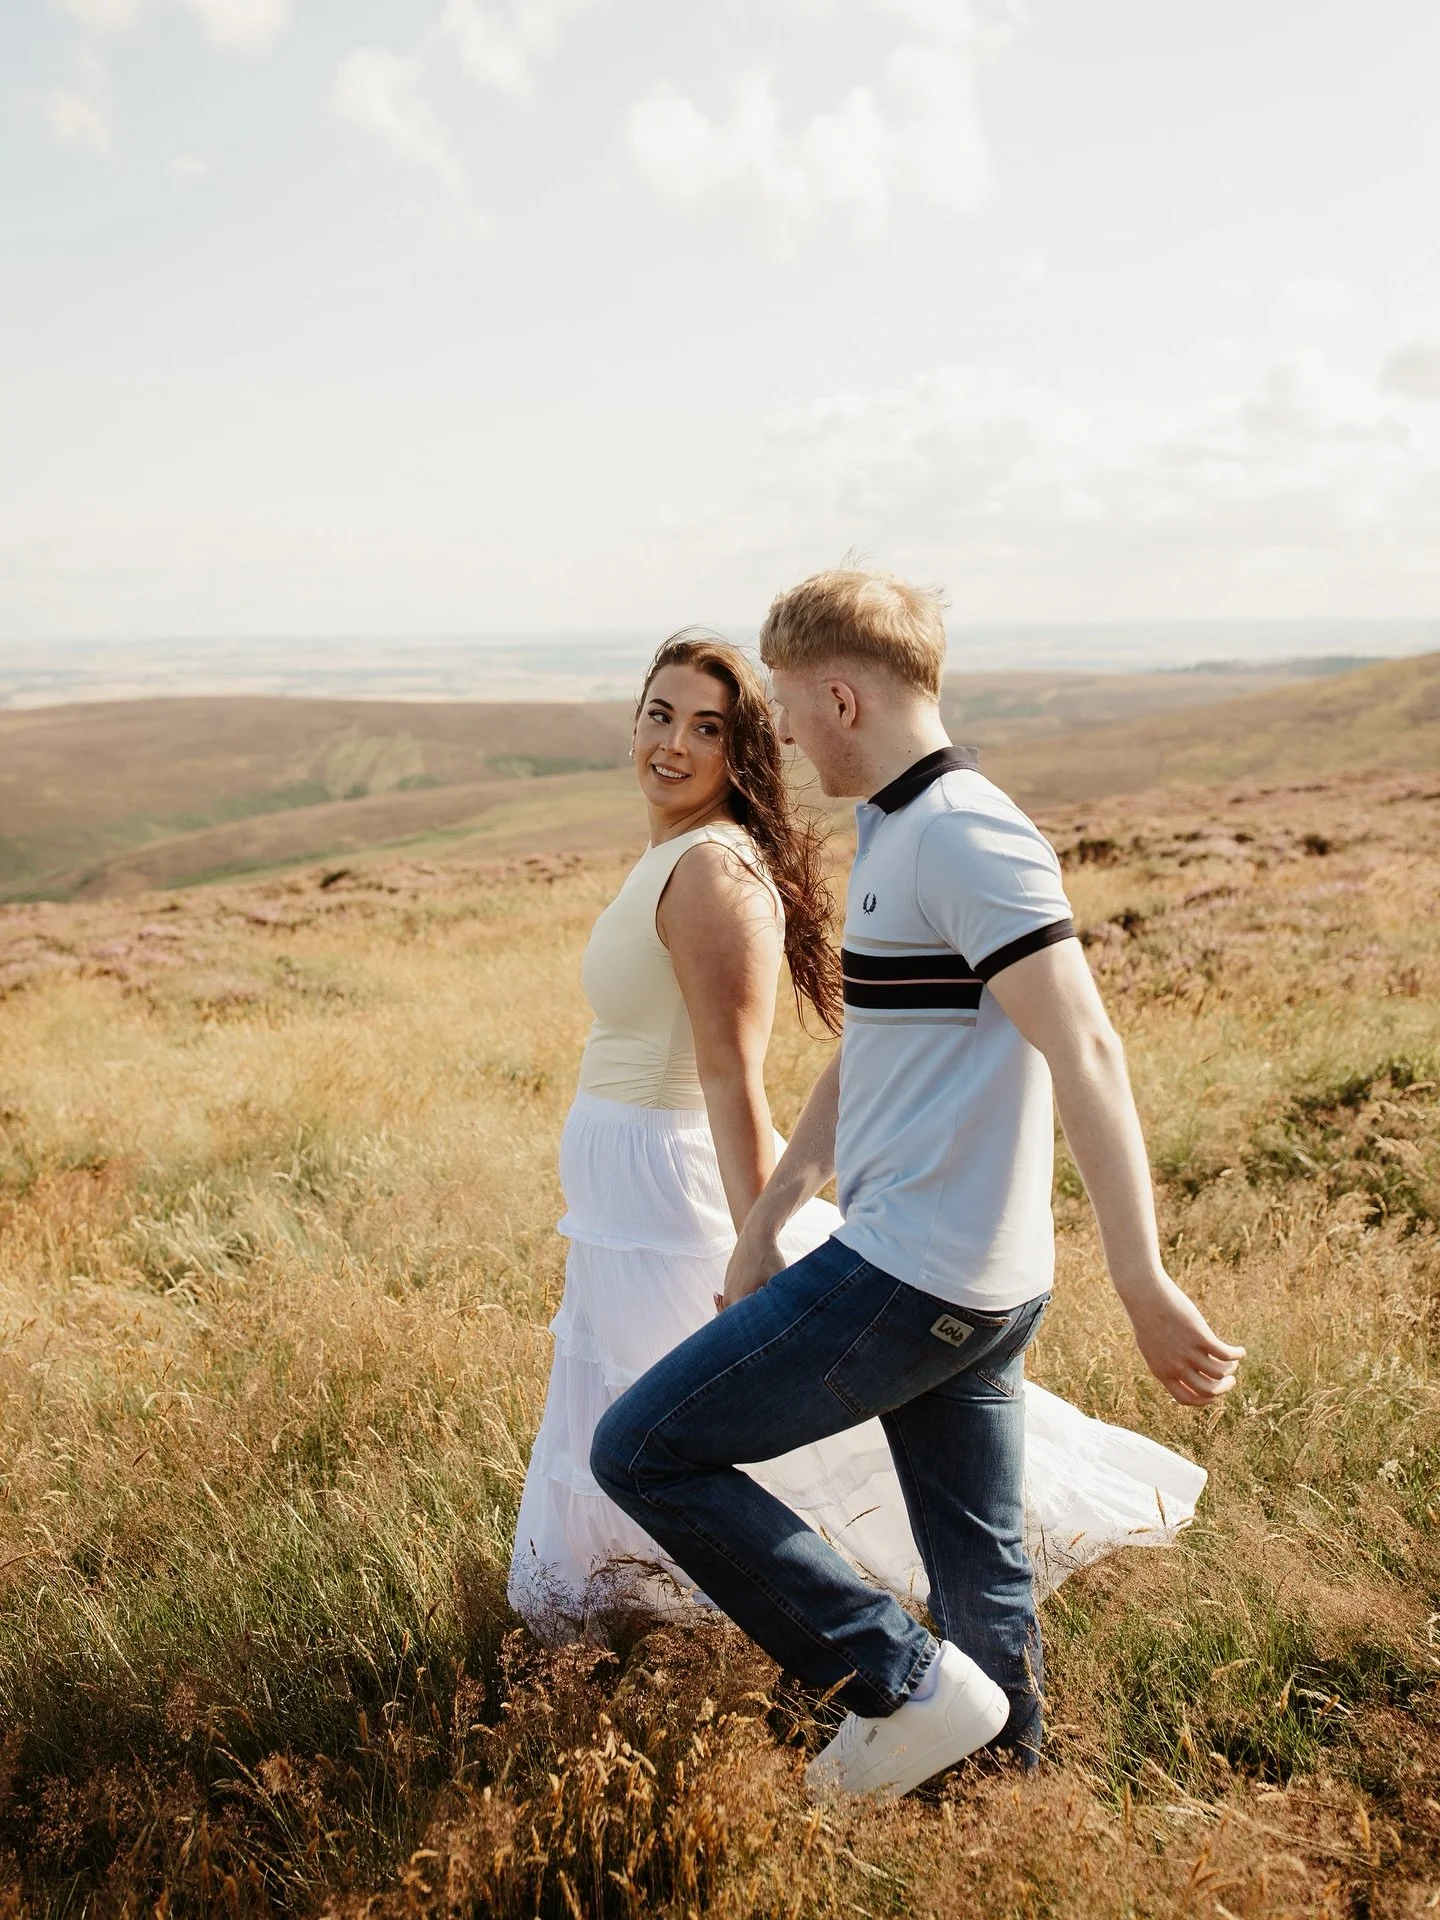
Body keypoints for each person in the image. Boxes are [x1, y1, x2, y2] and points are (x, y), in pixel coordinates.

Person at [589, 575, 1245, 1799]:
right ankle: (1003, 1797)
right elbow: (872, 1050)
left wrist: (1144, 1280)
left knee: (641, 1451)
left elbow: (1086, 1046)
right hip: (969, 1280)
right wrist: (771, 1214)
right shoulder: (897, 828)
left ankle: (901, 1683)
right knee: (980, 1570)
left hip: (913, 1278)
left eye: (790, 708)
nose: (786, 739)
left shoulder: (965, 833)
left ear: (843, 698)